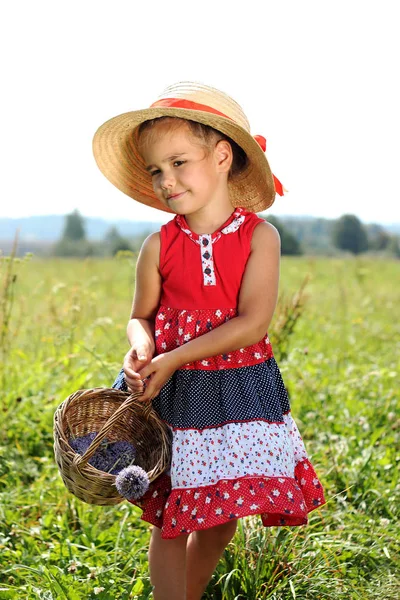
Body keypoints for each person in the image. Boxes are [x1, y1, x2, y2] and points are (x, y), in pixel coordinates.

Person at [93, 82, 327, 600]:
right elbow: (140, 317)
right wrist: (142, 349)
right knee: (173, 518)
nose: (167, 180)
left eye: (178, 162)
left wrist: (174, 356)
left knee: (221, 520)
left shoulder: (260, 238)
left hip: (237, 391)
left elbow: (252, 324)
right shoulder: (159, 245)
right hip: (173, 394)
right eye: (156, 170)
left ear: (222, 156)